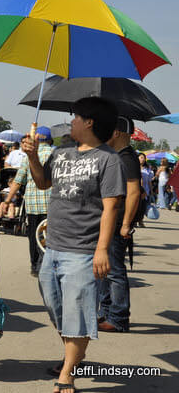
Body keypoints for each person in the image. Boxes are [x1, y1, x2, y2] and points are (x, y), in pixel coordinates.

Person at [22, 96, 125, 393]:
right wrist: (32, 158)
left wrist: (102, 249)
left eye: (76, 117)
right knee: (57, 309)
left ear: (90, 122)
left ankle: (67, 372)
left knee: (77, 313)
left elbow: (110, 208)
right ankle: (75, 352)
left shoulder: (109, 160)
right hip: (52, 247)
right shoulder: (62, 151)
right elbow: (43, 184)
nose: (71, 122)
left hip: (83, 251)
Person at [99, 116, 141, 333]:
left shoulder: (127, 157)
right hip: (111, 221)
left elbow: (134, 191)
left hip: (117, 223)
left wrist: (126, 223)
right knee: (105, 269)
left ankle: (118, 317)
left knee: (114, 270)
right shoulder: (119, 156)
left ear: (116, 133)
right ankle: (106, 312)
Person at [1, 125, 53, 276]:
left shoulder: (29, 156)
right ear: (49, 140)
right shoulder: (55, 154)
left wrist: (7, 200)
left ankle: (34, 266)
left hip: (32, 205)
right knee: (48, 237)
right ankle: (46, 265)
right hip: (51, 204)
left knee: (33, 236)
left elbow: (18, 180)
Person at [137, 153, 153, 227]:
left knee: (143, 207)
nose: (142, 159)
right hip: (136, 190)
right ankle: (134, 222)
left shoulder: (147, 169)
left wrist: (151, 191)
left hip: (145, 191)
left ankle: (141, 221)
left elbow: (149, 181)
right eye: (141, 157)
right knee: (136, 207)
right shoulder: (134, 167)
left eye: (143, 158)